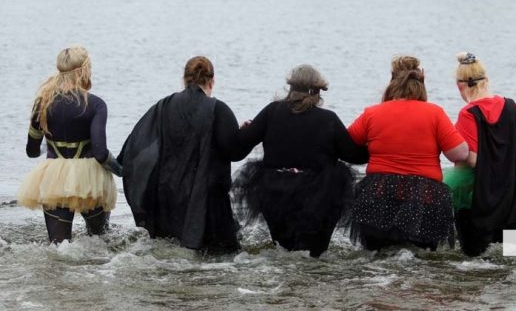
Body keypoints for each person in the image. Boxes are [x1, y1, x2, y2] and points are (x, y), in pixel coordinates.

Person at [233, 64, 368, 258]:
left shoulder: (272, 112)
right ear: (317, 91)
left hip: (275, 193)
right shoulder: (328, 119)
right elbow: (354, 156)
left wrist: (244, 128)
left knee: (283, 251)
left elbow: (242, 142)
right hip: (318, 197)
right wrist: (374, 141)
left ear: (291, 88)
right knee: (314, 254)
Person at [118, 56, 242, 254]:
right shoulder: (219, 109)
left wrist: (117, 166)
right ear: (212, 82)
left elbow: (137, 144)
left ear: (184, 80)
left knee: (169, 249)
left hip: (168, 198)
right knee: (217, 257)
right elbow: (235, 152)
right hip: (208, 202)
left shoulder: (163, 106)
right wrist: (240, 135)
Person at [347, 55, 469, 252]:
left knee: (377, 253)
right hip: (425, 197)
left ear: (392, 82)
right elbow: (460, 154)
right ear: (421, 84)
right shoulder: (435, 113)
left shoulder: (372, 113)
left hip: (377, 194)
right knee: (420, 254)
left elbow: (347, 146)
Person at [446, 52, 516, 257]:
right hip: (512, 196)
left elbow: (471, 159)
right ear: (486, 80)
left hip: (478, 197)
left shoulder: (468, 114)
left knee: (474, 257)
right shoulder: (511, 107)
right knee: (508, 252)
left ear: (460, 85)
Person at [17, 46, 121, 244]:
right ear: (83, 71)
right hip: (91, 181)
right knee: (100, 243)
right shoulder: (96, 105)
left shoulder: (42, 103)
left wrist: (47, 149)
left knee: (59, 247)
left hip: (53, 179)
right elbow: (100, 153)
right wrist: (120, 169)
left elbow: (31, 151)